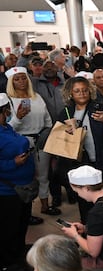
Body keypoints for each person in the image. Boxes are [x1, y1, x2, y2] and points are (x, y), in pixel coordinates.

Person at [58, 76, 103, 221]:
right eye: (77, 91)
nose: (82, 94)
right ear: (70, 93)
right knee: (86, 204)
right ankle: (90, 231)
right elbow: (59, 140)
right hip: (81, 165)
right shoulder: (66, 113)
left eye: (85, 90)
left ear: (90, 91)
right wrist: (66, 132)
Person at [5, 67, 55, 223]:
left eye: (23, 78)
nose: (21, 81)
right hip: (19, 144)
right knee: (25, 178)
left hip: (41, 140)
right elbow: (6, 128)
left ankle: (45, 205)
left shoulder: (37, 97)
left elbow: (48, 120)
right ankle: (26, 213)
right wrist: (18, 117)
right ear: (11, 83)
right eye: (17, 79)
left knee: (43, 175)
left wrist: (47, 134)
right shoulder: (8, 101)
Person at [0, 92, 35, 271]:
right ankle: (7, 264)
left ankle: (17, 257)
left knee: (20, 225)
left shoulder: (7, 129)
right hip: (6, 192)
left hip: (21, 190)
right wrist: (13, 162)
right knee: (8, 228)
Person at [61, 165, 103, 270]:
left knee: (63, 266)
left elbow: (93, 252)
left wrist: (75, 235)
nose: (79, 195)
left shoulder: (96, 213)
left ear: (86, 188)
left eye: (77, 192)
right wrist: (86, 228)